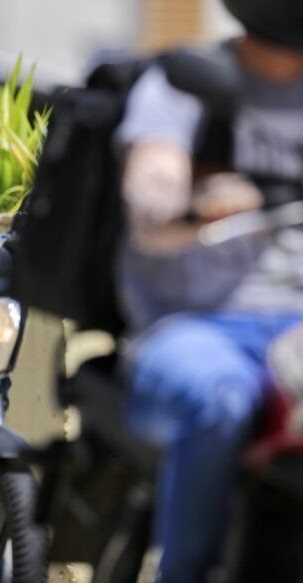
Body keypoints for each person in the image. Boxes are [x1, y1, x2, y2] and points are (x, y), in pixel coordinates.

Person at [116, 1, 303, 581]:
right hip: (190, 327)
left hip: (294, 329)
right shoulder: (182, 84)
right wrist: (190, 197)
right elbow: (150, 195)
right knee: (219, 398)